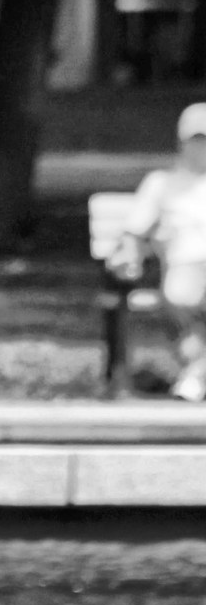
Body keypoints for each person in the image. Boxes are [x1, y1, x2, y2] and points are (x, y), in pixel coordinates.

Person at [111, 102, 206, 401]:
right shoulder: (161, 184)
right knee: (182, 295)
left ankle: (195, 374)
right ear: (182, 142)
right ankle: (197, 373)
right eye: (197, 140)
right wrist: (128, 255)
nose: (202, 148)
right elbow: (133, 231)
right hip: (185, 264)